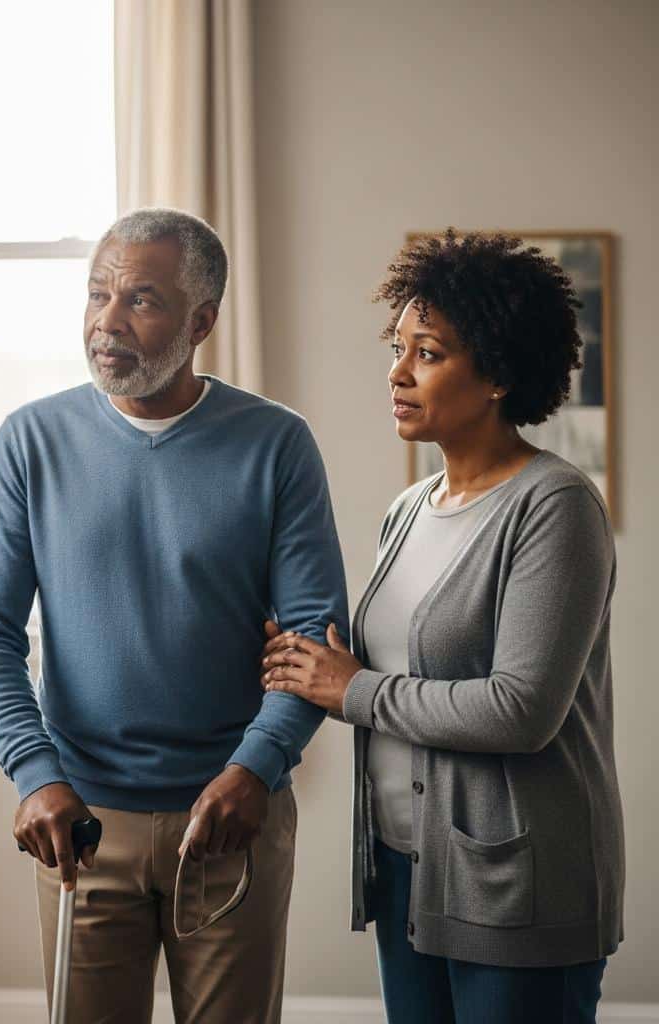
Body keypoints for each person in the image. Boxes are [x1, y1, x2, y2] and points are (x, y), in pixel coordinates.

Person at [0, 207, 348, 1023]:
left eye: (141, 300)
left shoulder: (277, 444)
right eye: (98, 294)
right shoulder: (31, 441)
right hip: (80, 823)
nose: (107, 322)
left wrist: (258, 766)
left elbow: (316, 634)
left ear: (201, 319)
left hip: (233, 813)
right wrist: (35, 775)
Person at [260, 230, 624, 1024]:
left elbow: (520, 710)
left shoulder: (554, 507)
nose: (397, 373)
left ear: (495, 371)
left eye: (427, 352)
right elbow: (388, 672)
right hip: (408, 875)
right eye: (397, 348)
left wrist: (354, 689)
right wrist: (309, 667)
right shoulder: (407, 511)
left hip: (514, 885)